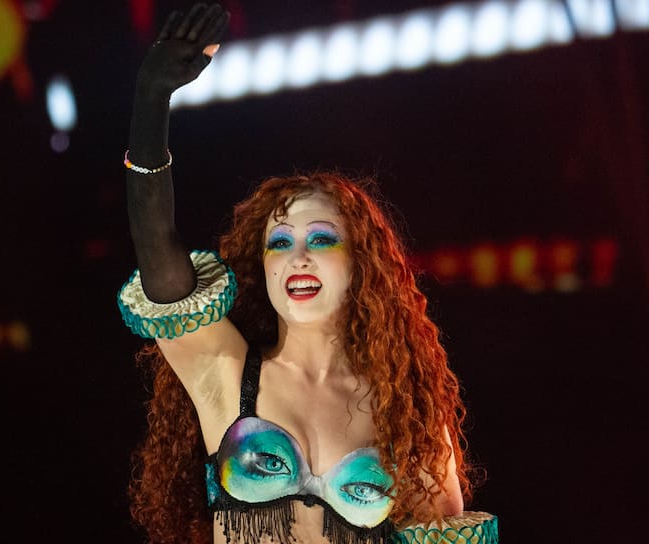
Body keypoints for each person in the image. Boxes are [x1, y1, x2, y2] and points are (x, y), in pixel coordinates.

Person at [116, 4, 497, 543]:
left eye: (321, 239)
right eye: (279, 243)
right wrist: (150, 101)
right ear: (264, 268)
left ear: (361, 265)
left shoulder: (407, 411)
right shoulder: (225, 372)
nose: (298, 256)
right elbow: (158, 254)